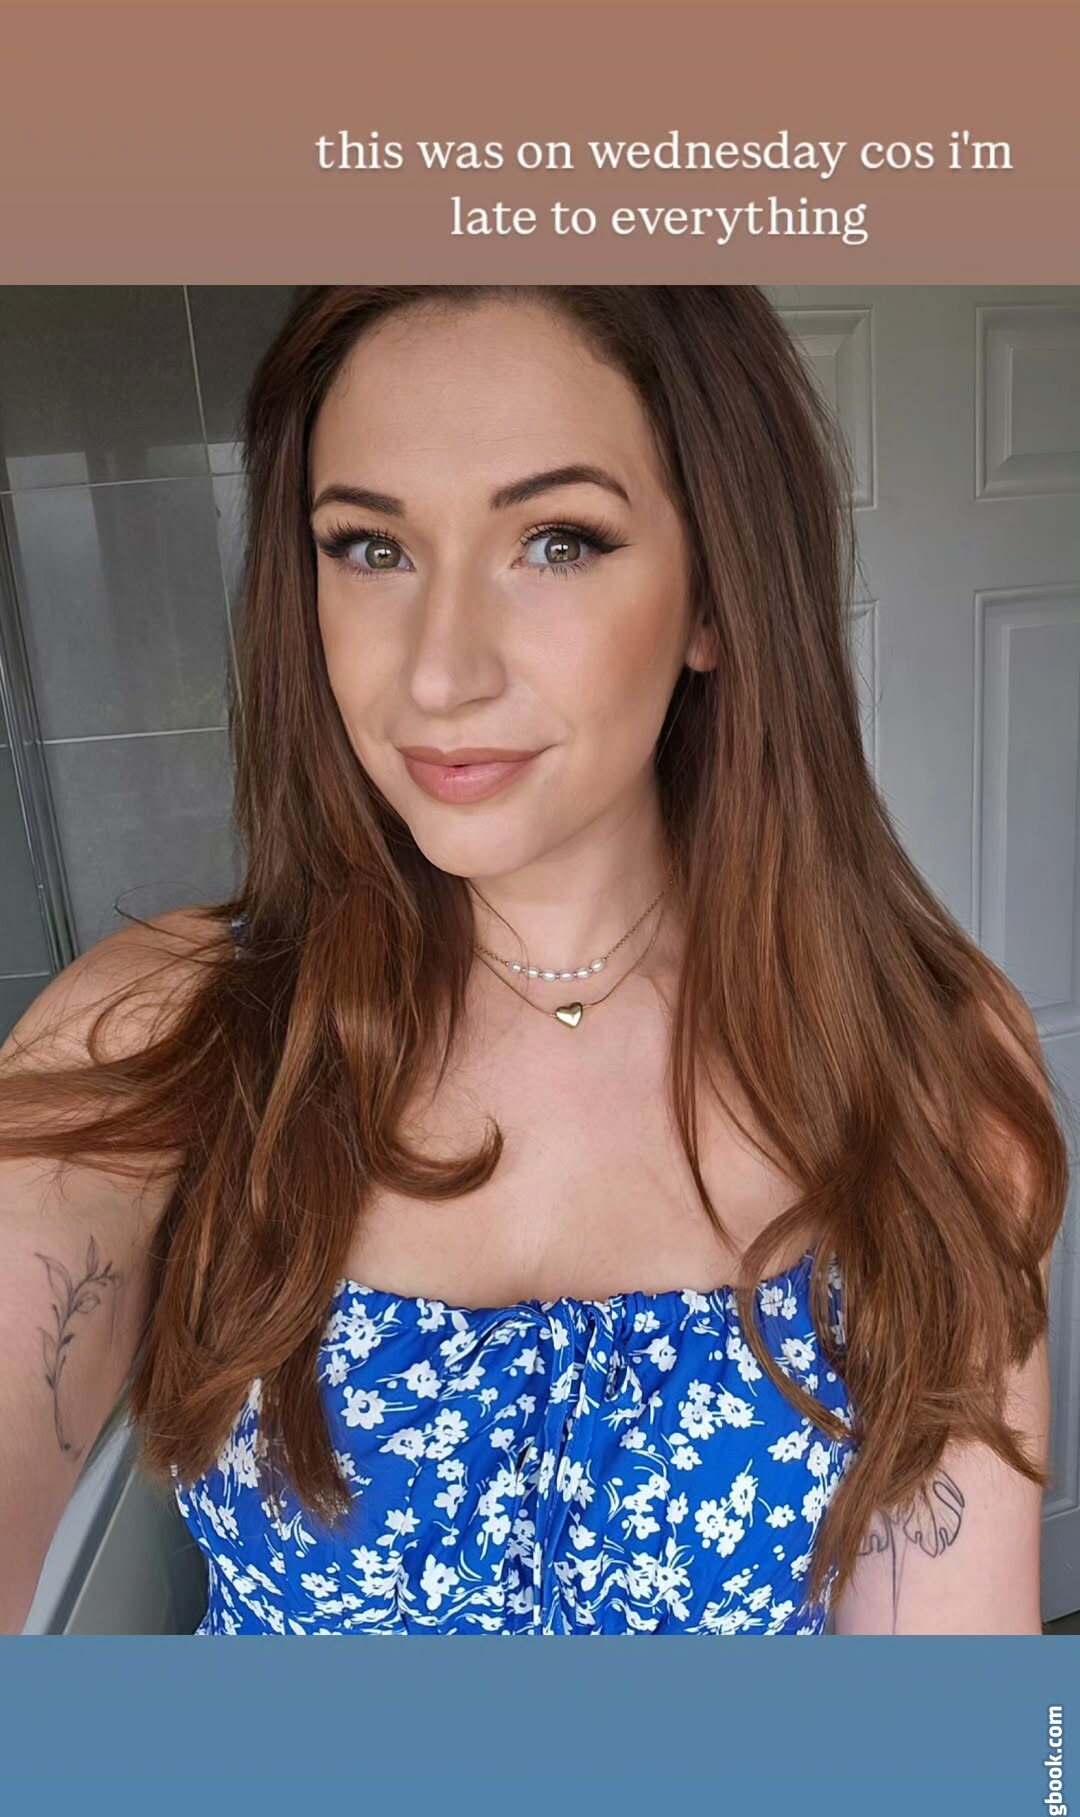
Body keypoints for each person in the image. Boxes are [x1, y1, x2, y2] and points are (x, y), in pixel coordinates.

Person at [0, 285, 1068, 1636]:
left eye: (557, 542)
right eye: (371, 547)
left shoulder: (922, 1062)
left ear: (715, 598)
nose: (438, 674)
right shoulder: (164, 1027)